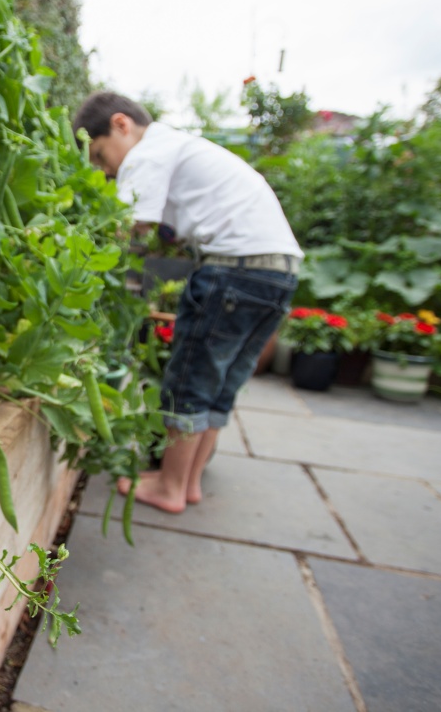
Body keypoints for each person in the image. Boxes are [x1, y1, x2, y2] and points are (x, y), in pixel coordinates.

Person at [73, 91, 301, 514]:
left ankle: (170, 487)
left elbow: (124, 230)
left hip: (234, 269)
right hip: (279, 271)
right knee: (221, 384)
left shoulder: (148, 153)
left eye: (102, 156)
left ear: (121, 125)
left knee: (189, 379)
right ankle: (187, 482)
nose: (105, 171)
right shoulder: (182, 148)